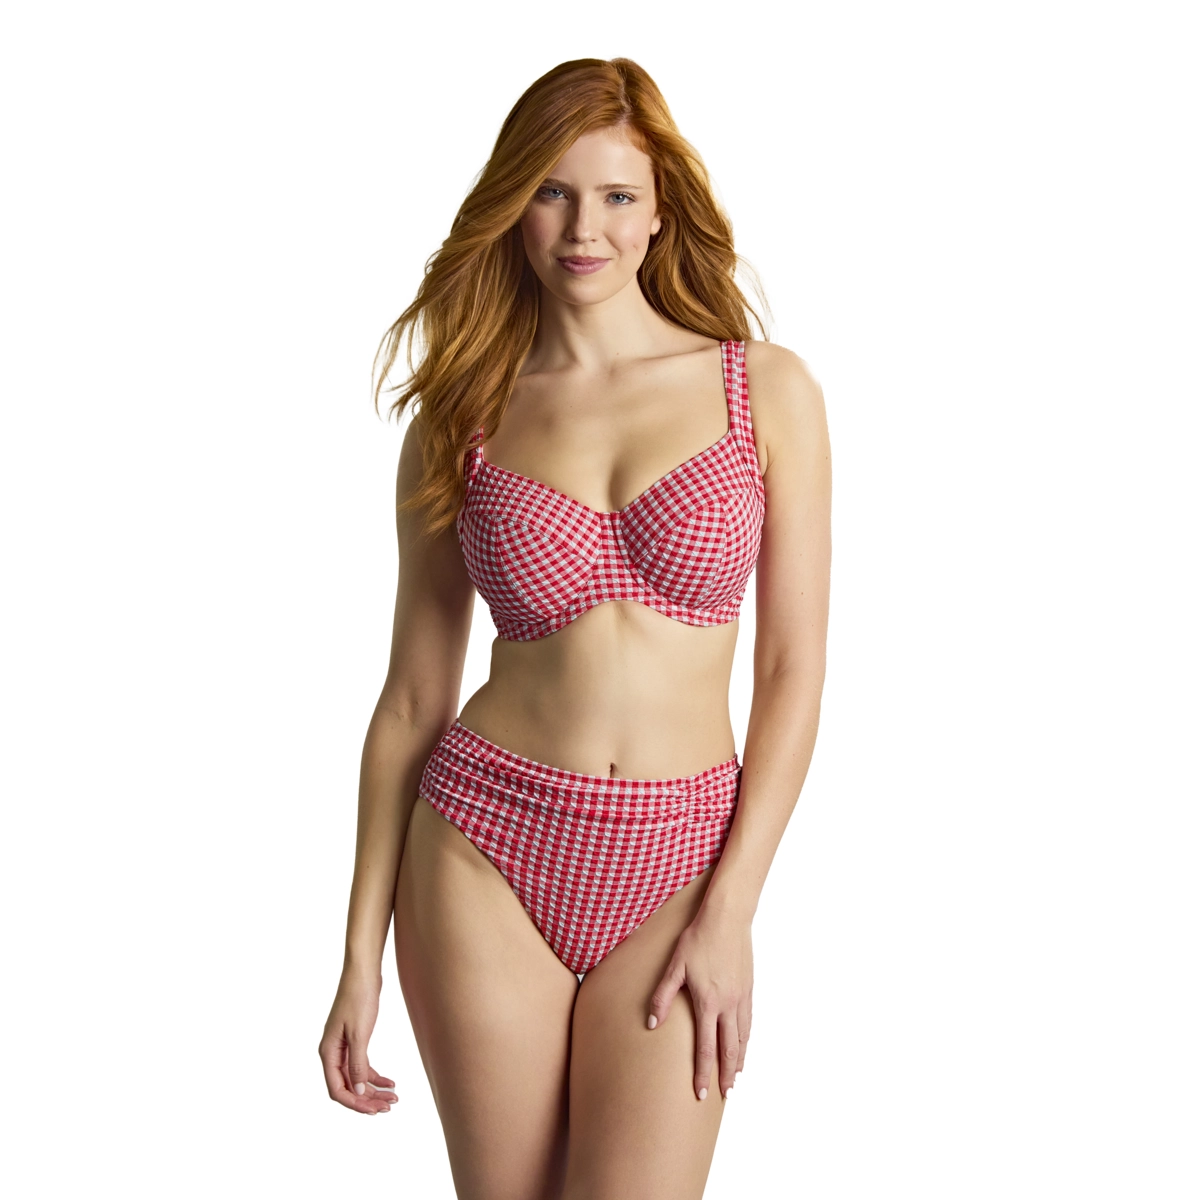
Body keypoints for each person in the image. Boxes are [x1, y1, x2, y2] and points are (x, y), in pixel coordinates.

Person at [319, 56, 832, 1200]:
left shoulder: (767, 391)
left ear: (659, 215)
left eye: (614, 196)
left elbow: (793, 670)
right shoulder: (462, 415)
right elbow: (413, 699)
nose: (583, 228)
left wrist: (734, 908)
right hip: (483, 851)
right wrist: (357, 959)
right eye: (552, 193)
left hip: (681, 862)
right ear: (515, 208)